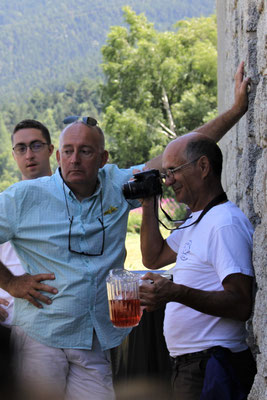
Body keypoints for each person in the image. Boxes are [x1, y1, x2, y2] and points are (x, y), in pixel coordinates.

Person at [0, 62, 250, 400]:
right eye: (69, 152)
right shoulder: (24, 198)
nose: (75, 159)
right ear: (58, 156)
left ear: (102, 158)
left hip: (92, 339)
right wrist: (12, 282)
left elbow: (182, 154)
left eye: (86, 151)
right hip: (40, 338)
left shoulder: (118, 184)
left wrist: (236, 111)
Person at [139, 133, 256, 399]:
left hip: (214, 366)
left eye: (173, 171)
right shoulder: (198, 221)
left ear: (203, 167)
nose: (167, 181)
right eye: (165, 174)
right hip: (194, 365)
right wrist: (148, 203)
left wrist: (175, 292)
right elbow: (154, 257)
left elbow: (240, 304)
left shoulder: (223, 223)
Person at [0, 119, 54, 399]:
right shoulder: (6, 204)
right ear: (14, 155)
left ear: (51, 149)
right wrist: (9, 283)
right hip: (21, 327)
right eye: (21, 148)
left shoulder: (72, 196)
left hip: (74, 324)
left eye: (36, 146)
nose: (29, 155)